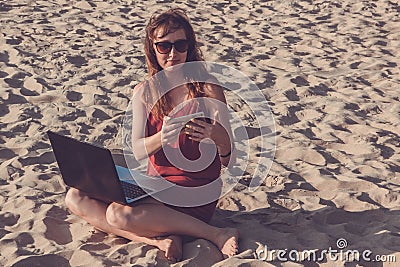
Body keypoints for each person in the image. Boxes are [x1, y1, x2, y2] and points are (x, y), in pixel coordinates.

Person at [65, 8, 239, 262]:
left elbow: (228, 159)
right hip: (154, 186)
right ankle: (155, 239)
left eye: (180, 45)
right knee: (75, 195)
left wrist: (218, 136)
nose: (172, 54)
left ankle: (216, 233)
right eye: (164, 46)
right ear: (152, 48)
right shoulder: (144, 91)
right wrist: (162, 137)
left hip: (195, 190)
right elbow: (136, 151)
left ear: (190, 47)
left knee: (117, 215)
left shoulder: (207, 89)